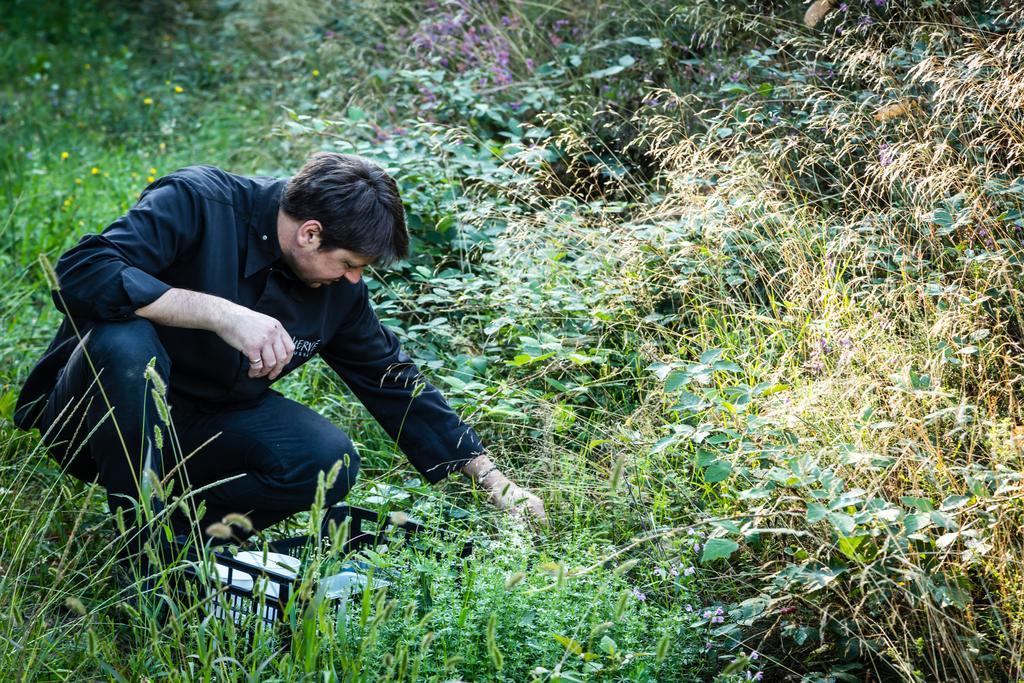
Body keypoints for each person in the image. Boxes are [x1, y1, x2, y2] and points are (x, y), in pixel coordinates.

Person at [13, 151, 545, 566]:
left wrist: (492, 478)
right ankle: (142, 547)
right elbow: (82, 271)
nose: (355, 278)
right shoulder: (199, 200)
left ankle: (180, 546)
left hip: (200, 426)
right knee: (127, 343)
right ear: (310, 233)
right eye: (350, 263)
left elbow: (393, 380)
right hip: (91, 417)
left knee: (328, 457)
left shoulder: (338, 292)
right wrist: (220, 313)